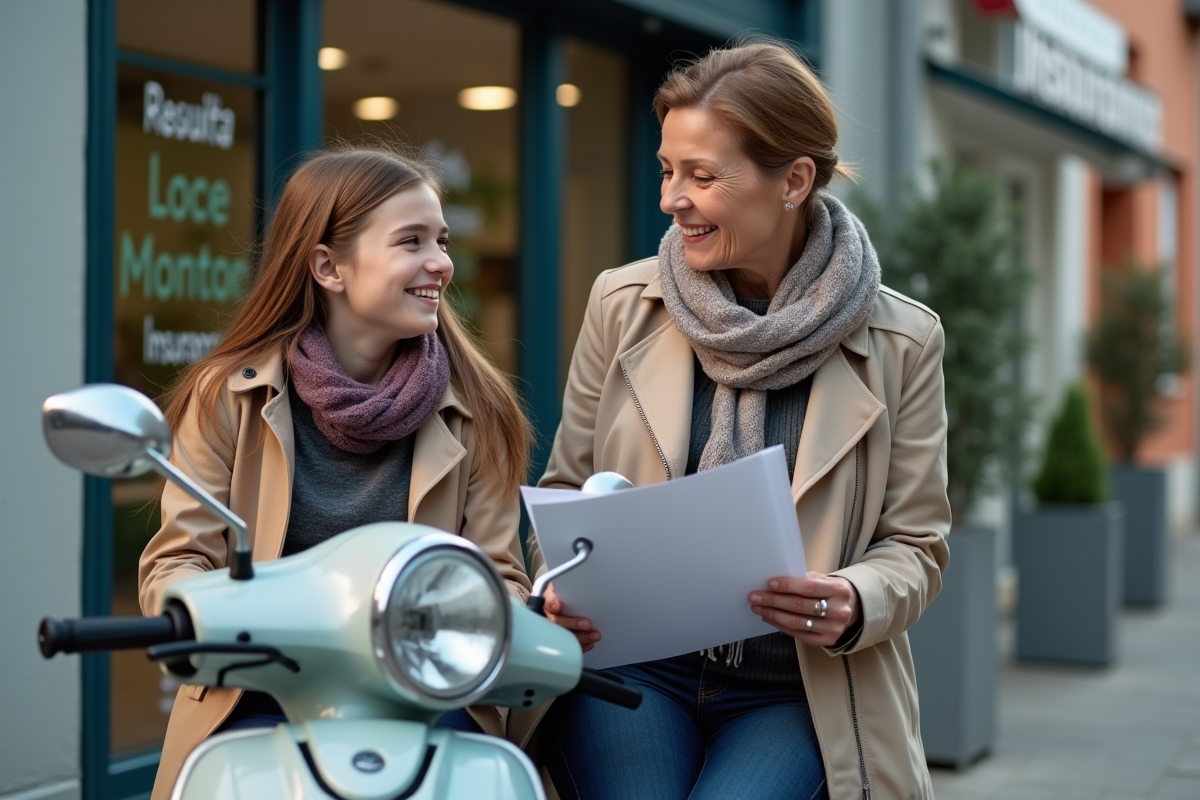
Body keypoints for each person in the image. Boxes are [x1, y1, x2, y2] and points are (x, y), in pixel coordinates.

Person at [518, 40, 951, 800]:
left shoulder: (902, 341)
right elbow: (565, 492)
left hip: (798, 687)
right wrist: (558, 587)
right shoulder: (622, 306)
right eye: (667, 169)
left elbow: (917, 545)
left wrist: (854, 599)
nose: (670, 199)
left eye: (702, 176)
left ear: (794, 180)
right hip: (633, 667)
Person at [138, 145, 533, 800]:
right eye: (412, 241)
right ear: (328, 266)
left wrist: (506, 616)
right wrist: (197, 611)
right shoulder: (226, 394)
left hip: (424, 694)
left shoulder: (480, 406)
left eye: (441, 239)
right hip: (261, 691)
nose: (442, 262)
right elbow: (177, 562)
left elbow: (499, 574)